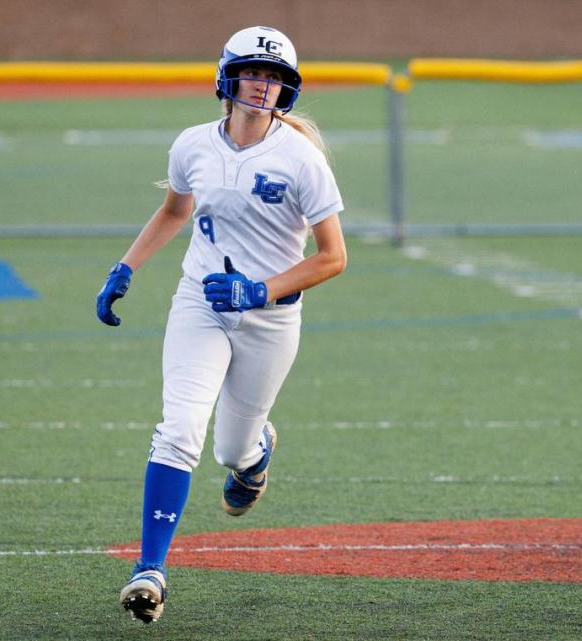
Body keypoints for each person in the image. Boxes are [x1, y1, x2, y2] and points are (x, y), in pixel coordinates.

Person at [95, 25, 346, 624]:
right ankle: (149, 568)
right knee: (179, 428)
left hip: (271, 318)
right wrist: (124, 268)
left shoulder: (301, 159)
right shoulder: (192, 144)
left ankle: (255, 453)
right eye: (254, 73)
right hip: (200, 304)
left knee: (230, 449)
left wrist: (259, 289)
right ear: (227, 79)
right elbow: (174, 209)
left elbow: (334, 257)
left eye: (275, 77)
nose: (262, 85)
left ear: (287, 90)